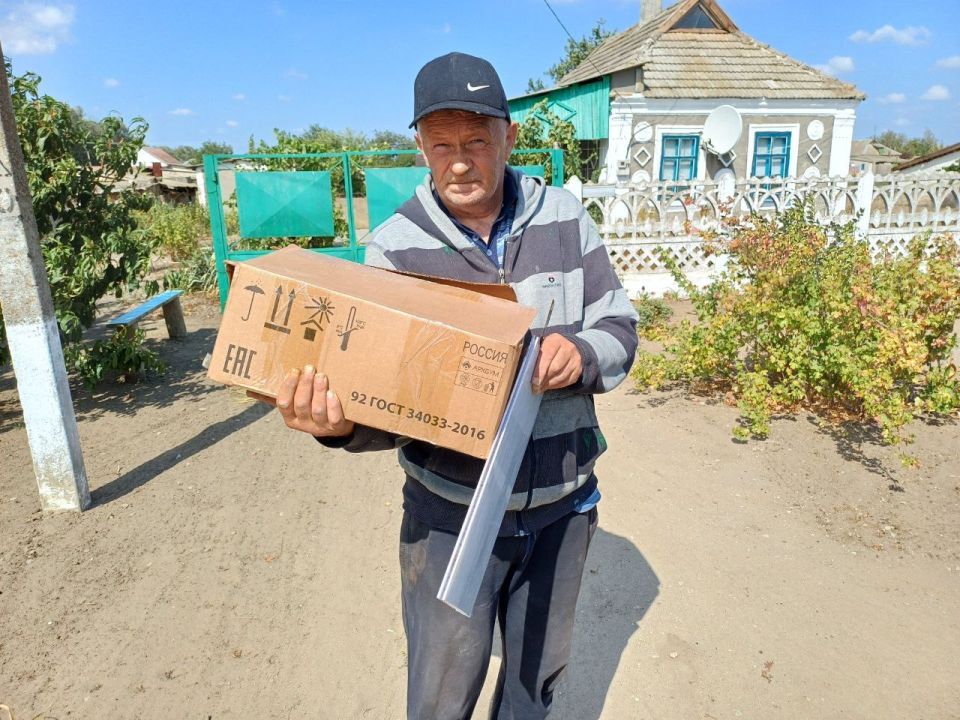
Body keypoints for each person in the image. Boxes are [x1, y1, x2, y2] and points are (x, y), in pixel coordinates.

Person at [268, 52, 638, 719]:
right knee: (442, 693)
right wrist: (339, 424)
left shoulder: (565, 219)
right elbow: (383, 394)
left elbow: (620, 324)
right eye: (442, 145)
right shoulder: (396, 251)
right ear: (421, 147)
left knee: (534, 688)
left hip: (564, 507)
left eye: (476, 141)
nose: (460, 161)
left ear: (509, 137)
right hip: (451, 517)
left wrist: (580, 351)